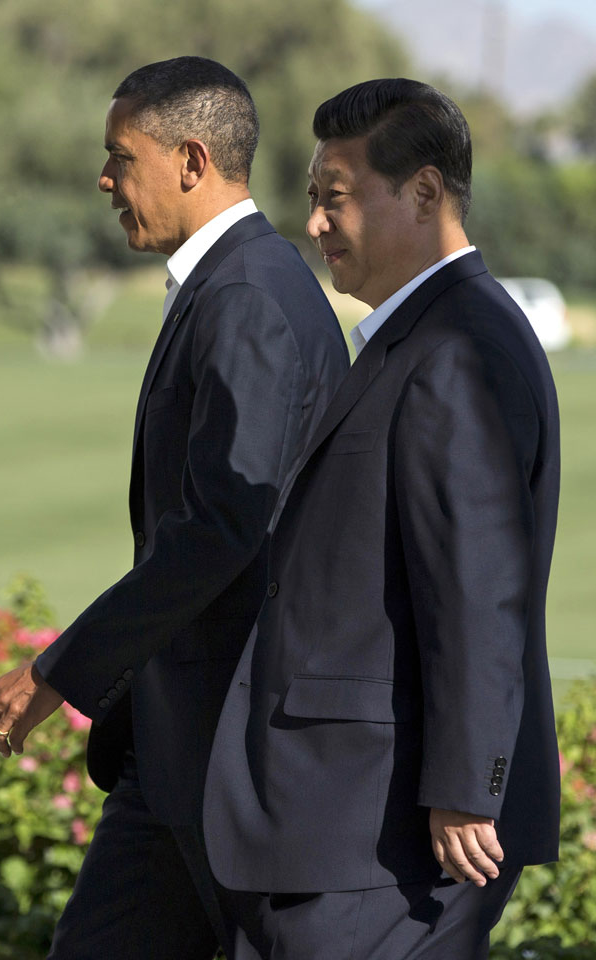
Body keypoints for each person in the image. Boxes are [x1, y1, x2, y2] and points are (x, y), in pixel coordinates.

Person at [0, 56, 349, 959]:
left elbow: (222, 527)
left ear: (189, 159)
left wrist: (59, 668)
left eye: (120, 157)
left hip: (234, 753)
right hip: (184, 748)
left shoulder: (249, 295)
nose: (105, 180)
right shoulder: (233, 283)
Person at [204, 78, 561, 959]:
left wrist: (467, 789)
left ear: (425, 193)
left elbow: (481, 585)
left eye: (335, 200)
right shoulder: (419, 337)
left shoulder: (458, 347)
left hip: (392, 839)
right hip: (343, 828)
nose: (315, 226)